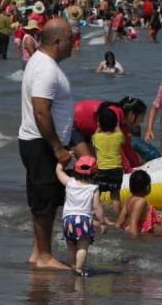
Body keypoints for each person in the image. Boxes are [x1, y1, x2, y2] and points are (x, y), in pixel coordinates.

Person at [18, 18, 74, 269]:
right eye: (71, 40)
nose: (74, 45)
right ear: (58, 42)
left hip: (39, 142)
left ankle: (37, 251)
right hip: (41, 144)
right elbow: (41, 111)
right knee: (44, 202)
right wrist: (57, 148)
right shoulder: (45, 69)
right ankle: (44, 256)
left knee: (47, 200)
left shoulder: (41, 63)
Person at [55, 156, 106, 276]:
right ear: (95, 173)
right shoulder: (93, 188)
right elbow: (97, 206)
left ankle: (73, 266)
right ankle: (79, 268)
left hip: (68, 219)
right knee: (83, 246)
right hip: (84, 220)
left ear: (75, 170)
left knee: (71, 246)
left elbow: (59, 171)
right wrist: (102, 222)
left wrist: (63, 159)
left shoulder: (69, 182)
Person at [92, 106, 124, 215]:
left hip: (102, 170)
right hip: (116, 170)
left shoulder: (96, 137)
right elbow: (121, 136)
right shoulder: (119, 136)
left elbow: (95, 136)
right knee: (115, 196)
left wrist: (98, 126)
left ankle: (98, 215)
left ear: (99, 124)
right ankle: (117, 217)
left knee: (98, 194)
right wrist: (117, 126)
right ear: (115, 123)